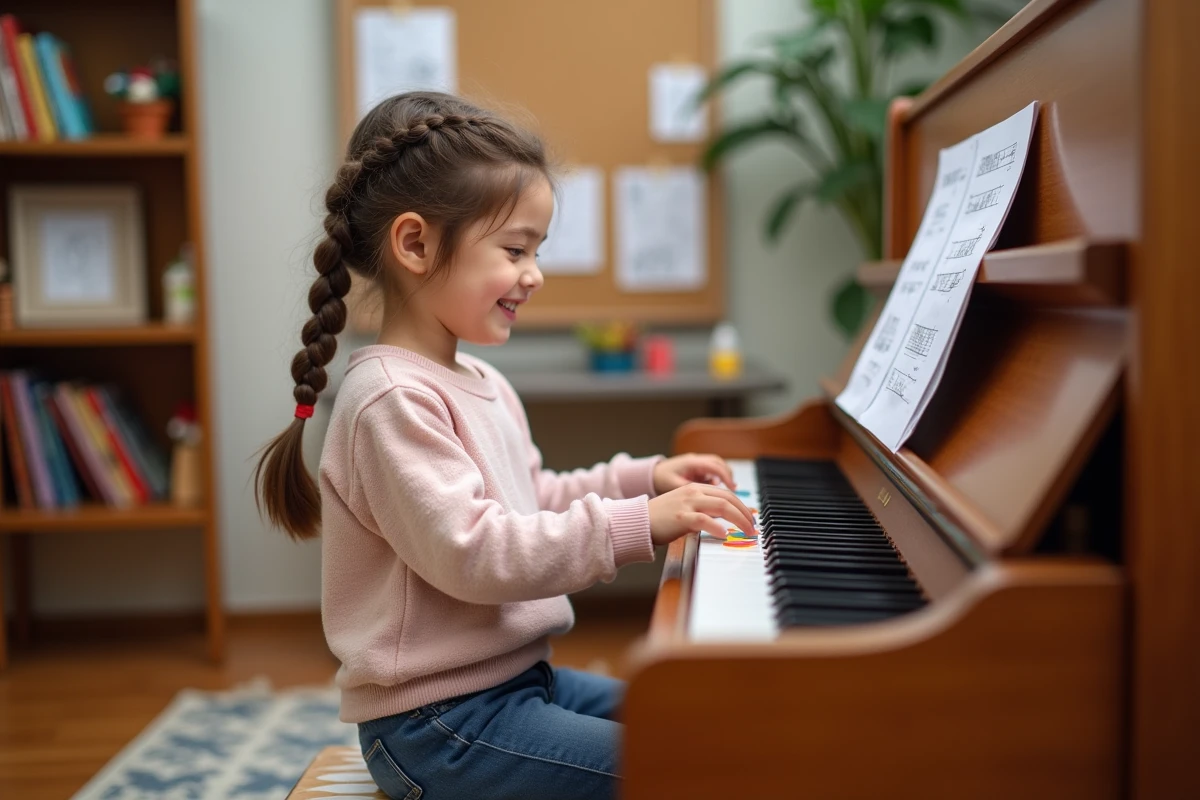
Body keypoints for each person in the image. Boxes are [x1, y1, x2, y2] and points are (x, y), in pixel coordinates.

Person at [254, 91, 757, 800]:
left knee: (704, 726)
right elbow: (476, 553)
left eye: (536, 251)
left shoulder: (481, 381)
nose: (535, 273)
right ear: (415, 244)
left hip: (517, 684)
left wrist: (645, 481)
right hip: (437, 726)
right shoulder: (391, 400)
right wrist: (641, 525)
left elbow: (534, 500)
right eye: (516, 250)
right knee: (676, 770)